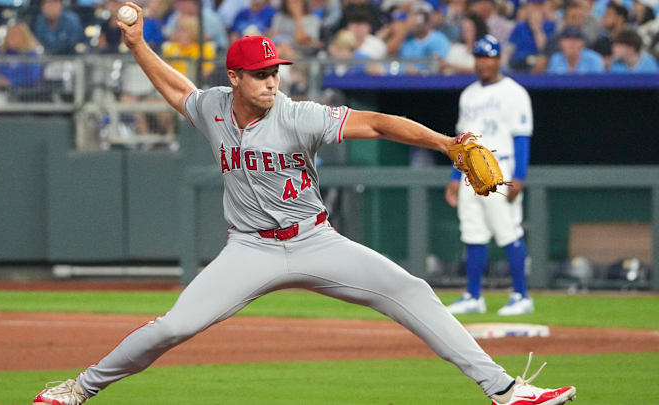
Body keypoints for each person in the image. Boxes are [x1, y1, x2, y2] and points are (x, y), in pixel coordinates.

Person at [31, 4, 577, 405]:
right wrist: (137, 47)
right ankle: (78, 389)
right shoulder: (215, 109)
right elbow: (176, 91)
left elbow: (378, 123)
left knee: (411, 290)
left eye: (275, 72)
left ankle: (505, 391)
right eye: (261, 74)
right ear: (235, 78)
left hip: (316, 242)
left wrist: (444, 143)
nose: (272, 81)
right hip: (249, 250)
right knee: (174, 327)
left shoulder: (299, 115)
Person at [445, 35, 534, 317]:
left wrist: (519, 175)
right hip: (469, 168)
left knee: (508, 231)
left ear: (498, 59)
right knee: (472, 233)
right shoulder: (468, 94)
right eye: (479, 57)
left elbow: (522, 138)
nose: (484, 62)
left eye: (489, 57)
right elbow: (460, 141)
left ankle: (521, 295)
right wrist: (454, 177)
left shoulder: (514, 92)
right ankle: (473, 295)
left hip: (500, 167)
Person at [507, 0, 555, 72]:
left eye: (539, 5)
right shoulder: (520, 27)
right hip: (520, 65)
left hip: (542, 67)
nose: (536, 8)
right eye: (533, 5)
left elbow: (544, 49)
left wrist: (537, 29)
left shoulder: (550, 26)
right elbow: (510, 48)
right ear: (528, 7)